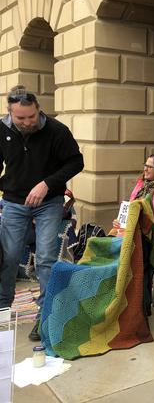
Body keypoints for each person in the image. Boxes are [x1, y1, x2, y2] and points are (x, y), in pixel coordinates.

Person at [0, 85, 84, 341]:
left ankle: (45, 316)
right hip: (14, 202)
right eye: (20, 118)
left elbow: (76, 162)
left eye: (31, 116)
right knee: (8, 256)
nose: (27, 122)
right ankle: (3, 308)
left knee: (46, 258)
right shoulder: (1, 130)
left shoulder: (57, 131)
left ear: (38, 109)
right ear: (10, 113)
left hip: (49, 201)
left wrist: (47, 183)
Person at [112, 153, 154, 235]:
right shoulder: (140, 185)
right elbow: (130, 209)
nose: (145, 169)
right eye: (145, 165)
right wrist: (118, 221)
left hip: (146, 233)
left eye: (150, 167)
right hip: (130, 229)